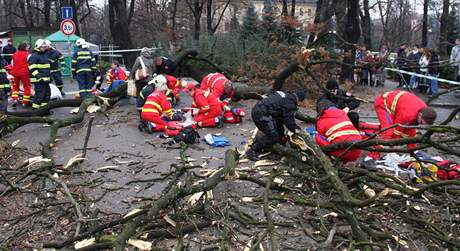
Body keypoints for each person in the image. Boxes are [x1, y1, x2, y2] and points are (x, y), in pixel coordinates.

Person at [365, 90, 437, 162]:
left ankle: (414, 152)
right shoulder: (407, 115)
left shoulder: (423, 109)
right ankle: (371, 157)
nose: (420, 124)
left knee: (411, 133)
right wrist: (391, 149)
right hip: (384, 105)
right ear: (420, 115)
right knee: (388, 132)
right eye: (421, 122)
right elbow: (396, 132)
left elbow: (411, 130)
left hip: (398, 107)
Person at [246, 90, 306, 161]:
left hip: (261, 110)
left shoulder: (285, 95)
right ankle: (252, 150)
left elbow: (280, 115)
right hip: (261, 114)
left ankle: (278, 146)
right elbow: (288, 121)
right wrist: (296, 129)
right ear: (299, 100)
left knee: (280, 129)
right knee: (273, 136)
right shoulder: (290, 103)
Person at [28, 39, 51, 109]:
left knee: (47, 95)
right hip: (39, 80)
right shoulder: (34, 56)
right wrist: (38, 76)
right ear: (38, 47)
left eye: (44, 47)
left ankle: (44, 110)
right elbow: (31, 68)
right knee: (39, 96)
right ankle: (35, 110)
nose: (44, 48)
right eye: (42, 47)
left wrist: (49, 76)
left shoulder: (45, 55)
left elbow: (46, 68)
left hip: (45, 79)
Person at [11, 42, 31, 107]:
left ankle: (14, 99)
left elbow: (12, 64)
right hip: (24, 73)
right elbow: (30, 64)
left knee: (15, 87)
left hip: (15, 73)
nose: (28, 48)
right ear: (24, 47)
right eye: (27, 47)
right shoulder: (27, 54)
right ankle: (24, 102)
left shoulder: (14, 54)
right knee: (27, 87)